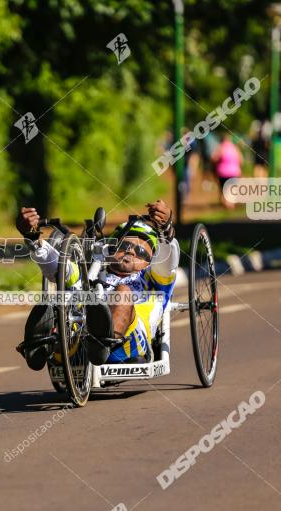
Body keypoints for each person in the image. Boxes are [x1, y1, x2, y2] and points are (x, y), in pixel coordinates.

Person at [16, 200, 179, 368]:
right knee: (63, 295)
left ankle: (101, 343)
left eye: (141, 252)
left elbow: (167, 262)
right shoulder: (93, 273)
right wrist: (33, 240)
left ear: (151, 261)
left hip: (128, 342)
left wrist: (165, 230)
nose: (131, 251)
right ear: (110, 250)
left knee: (122, 292)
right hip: (79, 339)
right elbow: (60, 266)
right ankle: (44, 345)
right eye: (124, 245)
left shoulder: (154, 279)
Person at [212, 133, 243, 209]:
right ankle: (229, 204)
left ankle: (227, 204)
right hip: (234, 172)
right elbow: (241, 160)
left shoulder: (221, 147)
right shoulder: (235, 148)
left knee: (224, 189)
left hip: (223, 172)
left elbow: (214, 158)